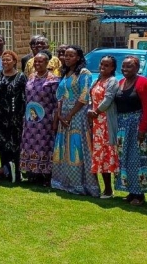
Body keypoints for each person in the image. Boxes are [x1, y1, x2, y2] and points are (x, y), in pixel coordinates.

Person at [51, 45, 99, 196]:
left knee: (76, 148)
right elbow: (60, 96)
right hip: (63, 115)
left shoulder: (84, 73)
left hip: (77, 115)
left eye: (71, 55)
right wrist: (60, 115)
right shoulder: (65, 73)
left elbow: (84, 97)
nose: (67, 58)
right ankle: (64, 182)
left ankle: (80, 184)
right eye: (66, 55)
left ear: (78, 57)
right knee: (63, 148)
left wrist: (69, 115)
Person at [114, 56, 147, 205]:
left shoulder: (143, 83)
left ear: (137, 68)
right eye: (124, 66)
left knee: (138, 159)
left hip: (137, 125)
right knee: (125, 159)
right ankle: (130, 190)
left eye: (129, 66)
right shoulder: (120, 83)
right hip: (123, 127)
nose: (125, 69)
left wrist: (143, 129)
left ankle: (139, 194)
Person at [19, 52, 59, 185]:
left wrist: (55, 121)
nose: (37, 64)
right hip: (31, 120)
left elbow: (57, 102)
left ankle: (45, 175)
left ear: (47, 63)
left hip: (46, 121)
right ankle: (32, 173)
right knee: (30, 144)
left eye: (40, 62)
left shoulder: (53, 80)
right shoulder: (31, 77)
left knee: (45, 146)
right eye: (35, 61)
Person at [86, 55, 119, 198]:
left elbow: (108, 99)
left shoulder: (112, 81)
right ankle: (106, 189)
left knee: (108, 156)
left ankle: (109, 189)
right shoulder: (98, 80)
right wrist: (90, 110)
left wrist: (96, 111)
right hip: (96, 124)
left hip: (106, 123)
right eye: (102, 64)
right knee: (100, 156)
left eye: (106, 65)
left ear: (112, 68)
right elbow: (90, 97)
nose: (103, 67)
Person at [0, 50, 27, 183]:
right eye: (3, 60)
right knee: (2, 144)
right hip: (0, 115)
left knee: (15, 145)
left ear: (14, 62)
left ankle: (16, 171)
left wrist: (22, 114)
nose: (5, 62)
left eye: (8, 60)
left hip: (15, 116)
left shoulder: (21, 76)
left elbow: (25, 97)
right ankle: (5, 170)